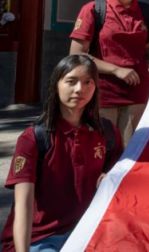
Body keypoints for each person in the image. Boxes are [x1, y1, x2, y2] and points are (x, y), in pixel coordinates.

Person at [2, 55, 124, 252]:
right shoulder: (33, 138)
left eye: (88, 82)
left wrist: (109, 177)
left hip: (87, 231)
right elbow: (23, 205)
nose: (79, 89)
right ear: (56, 85)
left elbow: (121, 180)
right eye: (71, 81)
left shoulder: (107, 132)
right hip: (41, 238)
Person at [69, 0, 149, 145]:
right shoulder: (94, 9)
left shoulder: (147, 11)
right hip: (103, 91)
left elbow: (148, 51)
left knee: (131, 148)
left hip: (137, 92)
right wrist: (116, 69)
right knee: (101, 146)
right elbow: (77, 55)